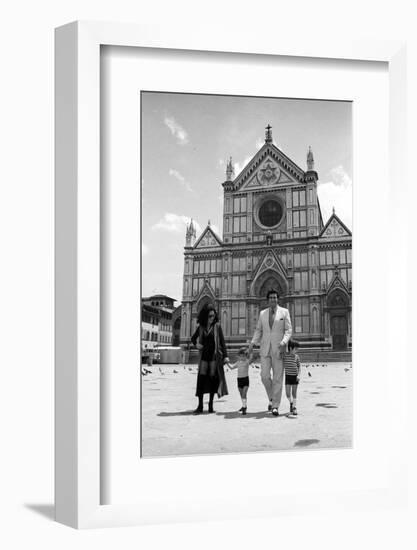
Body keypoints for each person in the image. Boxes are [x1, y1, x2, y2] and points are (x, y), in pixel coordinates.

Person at [248, 289, 292, 416]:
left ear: (278, 299)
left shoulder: (284, 312)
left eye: (275, 297)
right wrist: (252, 343)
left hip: (279, 349)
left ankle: (275, 405)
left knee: (278, 378)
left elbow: (289, 330)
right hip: (265, 348)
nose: (273, 299)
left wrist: (284, 342)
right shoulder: (262, 314)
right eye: (271, 297)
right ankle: (272, 397)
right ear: (268, 300)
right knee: (264, 376)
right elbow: (258, 330)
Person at [191, 304, 229, 414]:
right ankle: (200, 405)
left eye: (213, 316)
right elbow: (193, 338)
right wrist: (196, 345)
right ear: (205, 316)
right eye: (209, 316)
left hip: (213, 357)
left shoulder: (217, 326)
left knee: (213, 380)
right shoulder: (201, 327)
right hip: (204, 357)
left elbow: (222, 342)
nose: (212, 318)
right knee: (201, 380)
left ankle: (211, 406)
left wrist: (226, 356)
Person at [227, 347, 253, 415]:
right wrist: (227, 362)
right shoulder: (238, 362)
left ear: (246, 356)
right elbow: (231, 367)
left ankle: (244, 408)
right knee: (242, 395)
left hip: (245, 379)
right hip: (239, 380)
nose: (242, 357)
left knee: (244, 394)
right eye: (241, 356)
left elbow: (251, 358)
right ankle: (244, 405)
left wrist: (251, 350)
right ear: (238, 356)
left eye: (244, 356)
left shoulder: (247, 361)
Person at [283, 339, 301, 415]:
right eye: (295, 349)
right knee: (287, 394)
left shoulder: (297, 357)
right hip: (288, 377)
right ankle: (291, 402)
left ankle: (294, 407)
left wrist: (299, 376)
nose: (297, 350)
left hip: (295, 377)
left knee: (294, 393)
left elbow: (299, 367)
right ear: (290, 348)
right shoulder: (285, 355)